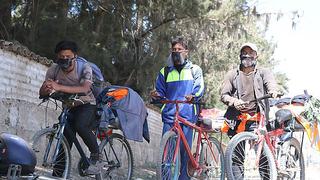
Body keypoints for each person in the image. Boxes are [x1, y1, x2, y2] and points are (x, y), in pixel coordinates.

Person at [39, 40, 101, 176]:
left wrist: (59, 87)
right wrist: (46, 88)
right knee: (64, 136)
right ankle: (58, 174)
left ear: (75, 56)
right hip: (69, 105)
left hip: (87, 104)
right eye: (62, 58)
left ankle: (96, 156)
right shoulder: (53, 69)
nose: (65, 60)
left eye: (68, 57)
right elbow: (42, 93)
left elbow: (85, 89)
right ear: (57, 58)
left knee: (81, 125)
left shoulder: (84, 67)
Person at [220, 42, 279, 178]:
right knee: (236, 155)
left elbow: (271, 83)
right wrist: (234, 102)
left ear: (256, 56)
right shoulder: (232, 74)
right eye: (244, 52)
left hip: (256, 119)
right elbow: (224, 95)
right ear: (240, 55)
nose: (247, 55)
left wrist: (273, 91)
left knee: (263, 153)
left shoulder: (263, 72)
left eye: (251, 53)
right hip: (236, 119)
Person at [151, 36, 204, 179]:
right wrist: (156, 95)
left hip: (187, 116)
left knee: (184, 153)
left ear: (186, 52)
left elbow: (199, 89)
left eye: (179, 49)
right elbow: (160, 92)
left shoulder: (195, 70)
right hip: (169, 115)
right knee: (167, 152)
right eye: (174, 49)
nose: (176, 52)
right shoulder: (165, 71)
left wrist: (193, 96)